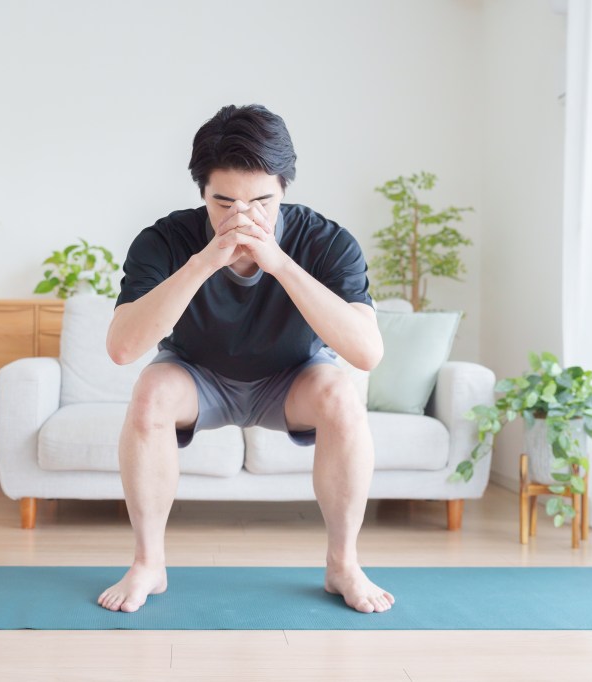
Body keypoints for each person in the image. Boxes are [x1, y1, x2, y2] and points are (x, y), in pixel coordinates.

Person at [97, 104, 394, 614]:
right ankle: (149, 563)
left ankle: (342, 564)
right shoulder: (165, 239)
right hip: (198, 378)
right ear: (202, 194)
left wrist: (278, 263)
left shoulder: (326, 241)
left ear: (284, 190)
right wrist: (205, 260)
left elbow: (366, 353)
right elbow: (123, 348)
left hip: (291, 380)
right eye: (224, 202)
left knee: (342, 395)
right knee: (150, 392)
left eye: (263, 201)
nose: (243, 217)